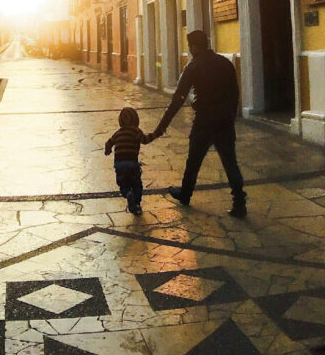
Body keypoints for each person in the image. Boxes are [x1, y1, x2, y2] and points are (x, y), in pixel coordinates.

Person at [150, 29, 247, 217]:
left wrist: (161, 127)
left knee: (193, 160)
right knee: (230, 162)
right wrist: (230, 116)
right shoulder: (225, 63)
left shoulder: (193, 67)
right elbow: (235, 93)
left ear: (194, 46)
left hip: (204, 121)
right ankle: (239, 202)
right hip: (224, 121)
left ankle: (185, 194)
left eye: (189, 46)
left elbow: (178, 99)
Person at [104, 105, 156, 215]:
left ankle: (127, 193)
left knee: (123, 183)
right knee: (137, 183)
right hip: (132, 163)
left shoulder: (117, 133)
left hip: (119, 164)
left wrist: (107, 150)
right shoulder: (136, 131)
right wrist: (155, 134)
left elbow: (109, 142)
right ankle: (136, 203)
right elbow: (145, 140)